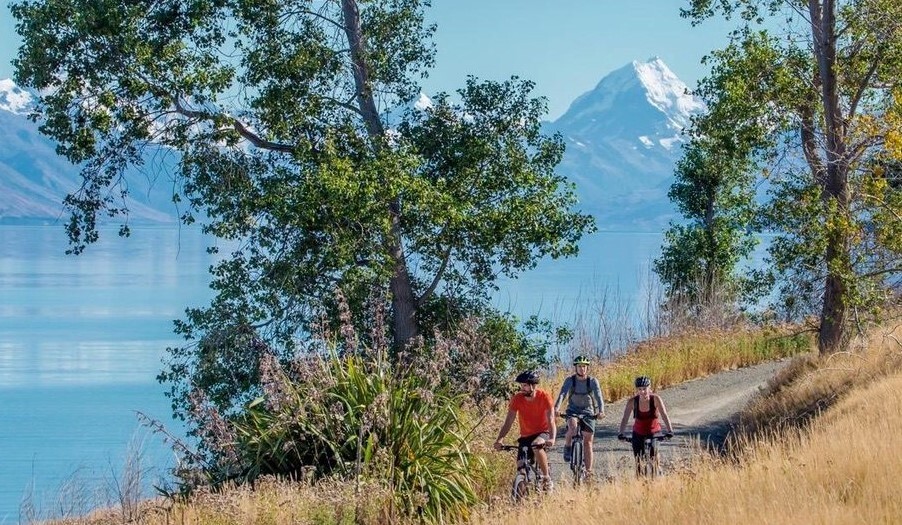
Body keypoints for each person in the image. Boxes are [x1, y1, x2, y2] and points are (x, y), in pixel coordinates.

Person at [494, 370, 557, 491]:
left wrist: (552, 438)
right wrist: (499, 439)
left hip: (542, 432)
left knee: (536, 445)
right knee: (520, 467)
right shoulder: (517, 399)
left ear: (533, 386)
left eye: (525, 385)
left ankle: (546, 478)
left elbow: (551, 419)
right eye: (521, 385)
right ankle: (520, 495)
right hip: (525, 436)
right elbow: (508, 421)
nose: (522, 388)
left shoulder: (544, 396)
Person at [553, 355, 605, 475]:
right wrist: (556, 408)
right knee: (572, 427)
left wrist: (601, 411)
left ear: (587, 368)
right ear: (575, 368)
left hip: (588, 411)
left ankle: (588, 472)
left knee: (588, 441)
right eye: (580, 366)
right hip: (573, 410)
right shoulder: (570, 380)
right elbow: (562, 394)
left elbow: (598, 396)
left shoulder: (592, 381)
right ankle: (567, 446)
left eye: (584, 366)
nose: (582, 369)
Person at [617, 375, 674, 465]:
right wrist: (621, 433)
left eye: (644, 389)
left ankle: (656, 470)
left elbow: (664, 415)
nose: (642, 392)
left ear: (649, 388)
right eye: (639, 389)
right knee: (639, 462)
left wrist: (670, 430)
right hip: (638, 433)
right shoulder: (632, 402)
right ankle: (641, 474)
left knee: (653, 454)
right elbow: (625, 419)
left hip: (654, 432)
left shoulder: (656, 399)